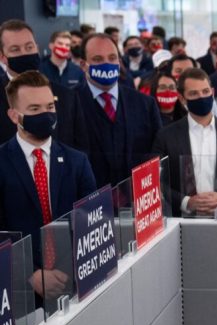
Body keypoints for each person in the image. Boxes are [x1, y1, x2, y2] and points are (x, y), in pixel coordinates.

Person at [0, 71, 96, 305]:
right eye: (34, 109)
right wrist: (31, 274)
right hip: (17, 291)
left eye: (49, 107)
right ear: (14, 116)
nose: (45, 114)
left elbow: (92, 220)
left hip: (74, 282)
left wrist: (71, 269)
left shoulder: (77, 161)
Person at [153, 67, 217, 218]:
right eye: (193, 93)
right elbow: (157, 181)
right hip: (181, 224)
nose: (201, 97)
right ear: (182, 98)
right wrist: (186, 202)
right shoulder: (166, 136)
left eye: (205, 92)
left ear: (213, 92)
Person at [75, 32, 162, 187]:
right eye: (97, 59)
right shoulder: (70, 105)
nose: (106, 63)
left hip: (136, 199)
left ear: (119, 61)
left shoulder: (145, 104)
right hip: (90, 202)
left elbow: (157, 153)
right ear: (83, 65)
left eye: (112, 58)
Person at [0, 20, 88, 152]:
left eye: (29, 47)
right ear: (2, 57)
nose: (24, 53)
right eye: (15, 49)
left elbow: (81, 149)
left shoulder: (67, 97)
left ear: (37, 48)